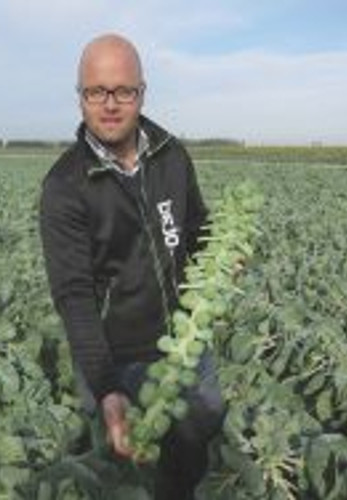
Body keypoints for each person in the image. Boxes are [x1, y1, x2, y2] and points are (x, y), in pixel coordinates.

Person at [38, 33, 225, 499]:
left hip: (186, 346)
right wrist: (106, 387)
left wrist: (222, 255)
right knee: (126, 478)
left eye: (123, 90)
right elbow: (74, 297)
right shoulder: (64, 186)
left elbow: (197, 227)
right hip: (114, 359)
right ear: (79, 96)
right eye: (95, 91)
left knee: (198, 456)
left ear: (142, 92)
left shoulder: (171, 155)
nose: (109, 104)